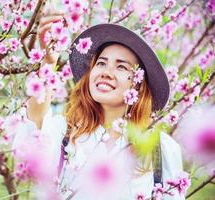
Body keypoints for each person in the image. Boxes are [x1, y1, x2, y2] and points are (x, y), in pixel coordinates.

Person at [12, 12, 184, 200]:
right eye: (101, 63)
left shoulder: (161, 149)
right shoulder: (66, 133)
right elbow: (33, 130)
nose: (106, 72)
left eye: (121, 67)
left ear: (139, 84)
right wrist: (48, 62)